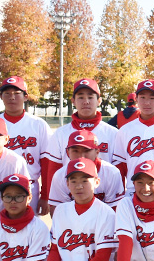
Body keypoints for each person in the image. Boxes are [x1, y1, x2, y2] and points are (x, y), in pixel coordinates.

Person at [41, 78, 119, 207]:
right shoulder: (61, 133)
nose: (86, 101)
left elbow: (118, 172)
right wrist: (49, 197)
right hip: (70, 199)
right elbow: (53, 170)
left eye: (90, 97)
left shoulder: (112, 133)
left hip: (105, 200)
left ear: (99, 100)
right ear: (73, 101)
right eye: (81, 97)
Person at [0, 76, 53, 215]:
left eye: (17, 93)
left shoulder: (38, 125)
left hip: (29, 188)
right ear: (1, 96)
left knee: (29, 232)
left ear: (25, 97)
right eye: (7, 93)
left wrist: (45, 195)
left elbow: (47, 163)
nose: (12, 97)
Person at [47, 130, 125, 213]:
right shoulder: (59, 175)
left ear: (97, 152)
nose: (81, 156)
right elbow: (58, 211)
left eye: (86, 150)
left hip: (103, 222)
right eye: (75, 151)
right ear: (68, 152)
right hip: (73, 222)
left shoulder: (111, 173)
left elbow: (114, 210)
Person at [111, 79, 154, 182]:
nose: (147, 102)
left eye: (152, 98)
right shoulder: (125, 130)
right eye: (142, 97)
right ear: (136, 99)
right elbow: (120, 165)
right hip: (133, 189)